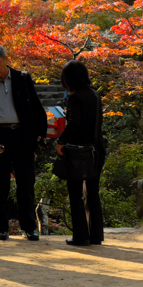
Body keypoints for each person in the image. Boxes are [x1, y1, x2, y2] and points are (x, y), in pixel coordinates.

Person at [0, 44, 48, 242]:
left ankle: (29, 228)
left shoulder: (23, 79)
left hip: (22, 135)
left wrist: (40, 134)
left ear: (6, 59)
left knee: (26, 184)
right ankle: (2, 228)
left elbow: (37, 109)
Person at [57, 59, 105, 247]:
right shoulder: (95, 95)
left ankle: (80, 237)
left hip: (78, 151)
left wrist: (61, 141)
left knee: (75, 192)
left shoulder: (75, 97)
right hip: (97, 149)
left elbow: (74, 124)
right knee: (92, 192)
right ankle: (96, 236)